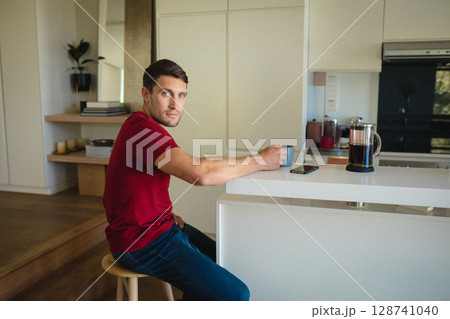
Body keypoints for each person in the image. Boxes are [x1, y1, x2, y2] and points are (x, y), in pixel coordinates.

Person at [103, 59, 285, 301]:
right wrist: (261, 159)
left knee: (230, 261)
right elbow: (201, 174)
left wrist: (161, 213)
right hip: (140, 243)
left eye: (181, 96)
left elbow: (199, 166)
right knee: (236, 293)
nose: (175, 105)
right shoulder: (143, 132)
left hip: (161, 227)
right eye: (166, 94)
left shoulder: (142, 128)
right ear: (146, 94)